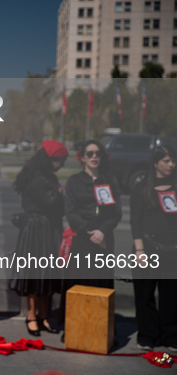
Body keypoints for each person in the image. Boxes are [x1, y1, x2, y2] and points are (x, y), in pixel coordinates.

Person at [61, 140, 122, 328]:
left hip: (104, 237)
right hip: (82, 237)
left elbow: (116, 213)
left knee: (101, 282)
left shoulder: (110, 180)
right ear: (82, 157)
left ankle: (99, 327)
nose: (94, 156)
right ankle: (75, 326)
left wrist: (102, 231)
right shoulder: (74, 181)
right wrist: (89, 232)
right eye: (89, 153)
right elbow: (70, 212)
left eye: (97, 153)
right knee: (79, 282)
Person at [10, 140, 67, 336]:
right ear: (51, 159)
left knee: (47, 274)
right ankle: (32, 316)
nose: (63, 165)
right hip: (37, 229)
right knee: (35, 274)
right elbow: (53, 204)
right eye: (61, 161)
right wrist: (63, 195)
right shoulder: (38, 178)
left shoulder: (44, 176)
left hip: (47, 228)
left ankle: (44, 315)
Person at [130, 145, 177, 352]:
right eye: (166, 161)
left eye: (173, 161)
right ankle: (147, 335)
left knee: (171, 297)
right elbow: (135, 221)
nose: (171, 165)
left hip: (172, 250)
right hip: (146, 248)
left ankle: (170, 336)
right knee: (145, 295)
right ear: (156, 163)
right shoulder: (142, 188)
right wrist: (140, 250)